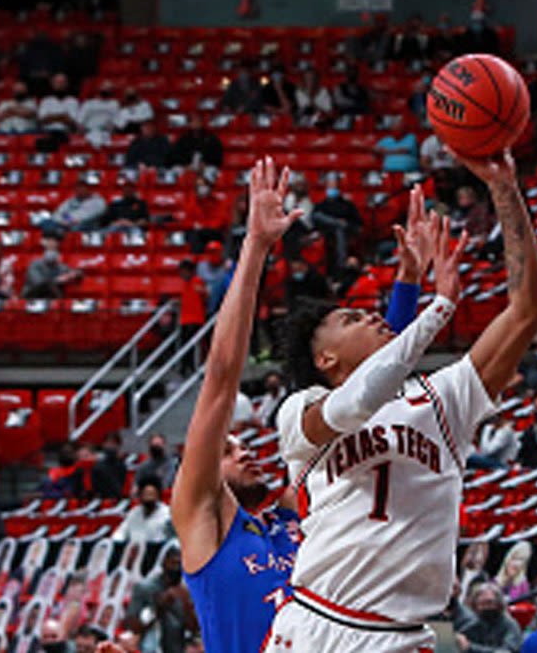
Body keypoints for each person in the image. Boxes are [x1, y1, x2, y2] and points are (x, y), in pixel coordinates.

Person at [269, 150, 537, 651]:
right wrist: (439, 305)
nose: (372, 318)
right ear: (326, 359)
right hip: (315, 621)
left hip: (401, 636)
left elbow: (528, 311)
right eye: (351, 319)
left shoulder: (443, 396)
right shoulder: (300, 411)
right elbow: (357, 404)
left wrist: (505, 189)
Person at [172, 158, 417, 653]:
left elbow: (372, 391)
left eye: (241, 446)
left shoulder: (293, 515)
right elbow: (221, 378)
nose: (241, 453)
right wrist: (256, 248)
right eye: (228, 450)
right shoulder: (205, 517)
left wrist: (408, 285)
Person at [127, 546, 197, 653]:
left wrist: (186, 604)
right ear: (164, 562)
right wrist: (158, 608)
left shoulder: (187, 591)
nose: (177, 568)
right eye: (174, 563)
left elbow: (194, 628)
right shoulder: (145, 588)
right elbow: (132, 625)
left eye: (180, 564)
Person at [458, 582, 522, 653]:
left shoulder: (510, 625)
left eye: (489, 602)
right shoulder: (472, 624)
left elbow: (506, 651)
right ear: (475, 606)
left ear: (499, 604)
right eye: (482, 604)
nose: (486, 607)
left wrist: (470, 647)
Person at [112, 477, 172, 544]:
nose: (148, 497)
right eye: (146, 494)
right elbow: (119, 534)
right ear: (140, 495)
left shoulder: (168, 514)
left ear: (158, 495)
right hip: (134, 551)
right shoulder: (134, 513)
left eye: (151, 494)